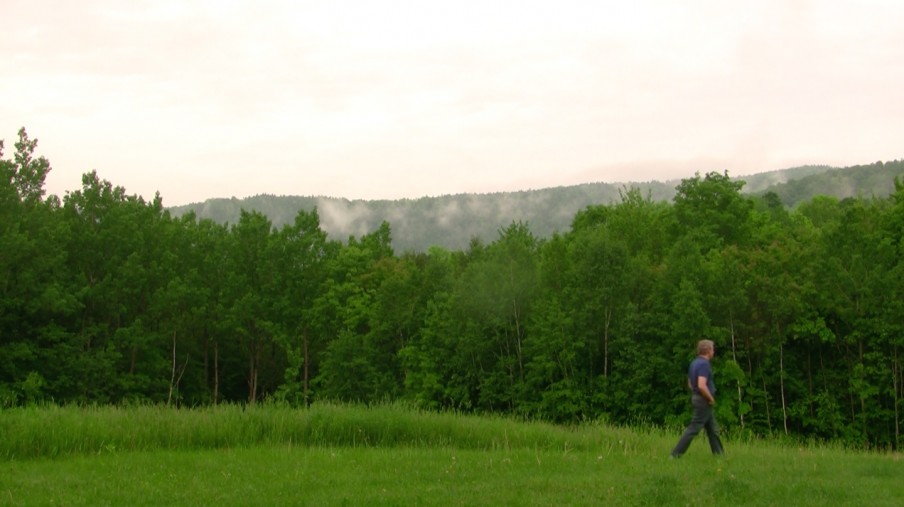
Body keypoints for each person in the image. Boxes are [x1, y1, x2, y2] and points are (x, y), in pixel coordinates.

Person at [670, 339, 724, 458]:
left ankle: (719, 455)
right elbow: (701, 385)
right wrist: (710, 398)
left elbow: (690, 383)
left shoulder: (694, 363)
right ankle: (675, 454)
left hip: (698, 398)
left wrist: (696, 394)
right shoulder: (704, 364)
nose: (713, 352)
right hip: (703, 400)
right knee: (694, 428)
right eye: (712, 349)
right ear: (708, 350)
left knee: (712, 429)